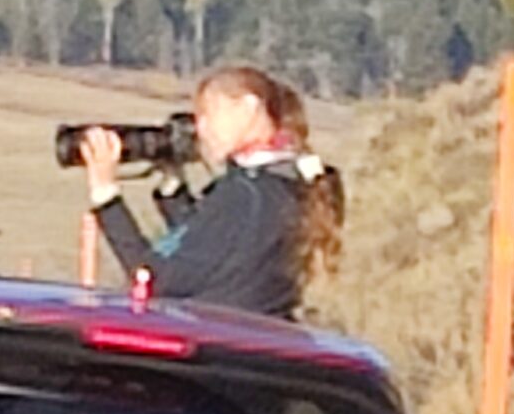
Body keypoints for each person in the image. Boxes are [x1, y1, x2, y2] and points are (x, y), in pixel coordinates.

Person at [77, 64, 343, 320]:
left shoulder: (243, 194)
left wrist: (106, 195)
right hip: (266, 346)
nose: (201, 130)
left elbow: (151, 279)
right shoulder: (292, 184)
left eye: (208, 114)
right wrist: (173, 187)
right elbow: (216, 244)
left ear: (248, 107)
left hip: (215, 349)